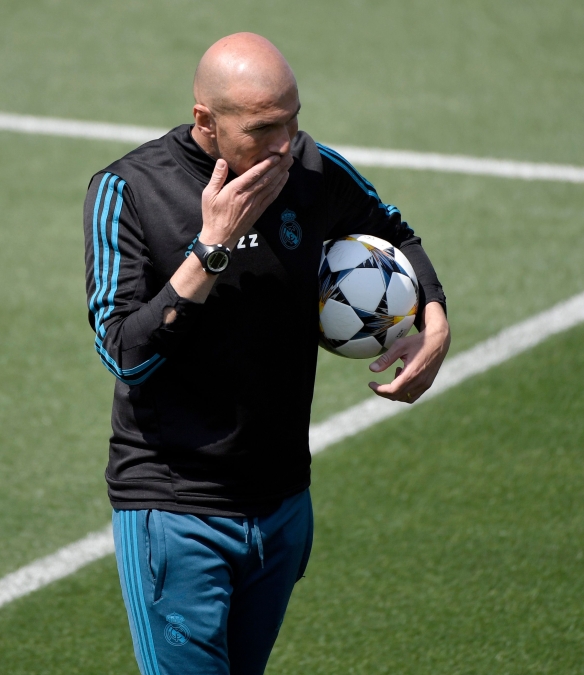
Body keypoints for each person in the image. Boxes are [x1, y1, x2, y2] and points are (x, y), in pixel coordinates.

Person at [81, 33, 451, 675]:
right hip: (176, 510)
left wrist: (435, 319)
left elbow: (392, 229)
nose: (285, 142)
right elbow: (124, 354)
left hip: (282, 504)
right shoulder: (130, 191)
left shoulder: (309, 168)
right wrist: (211, 249)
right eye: (264, 128)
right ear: (206, 120)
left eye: (293, 120)